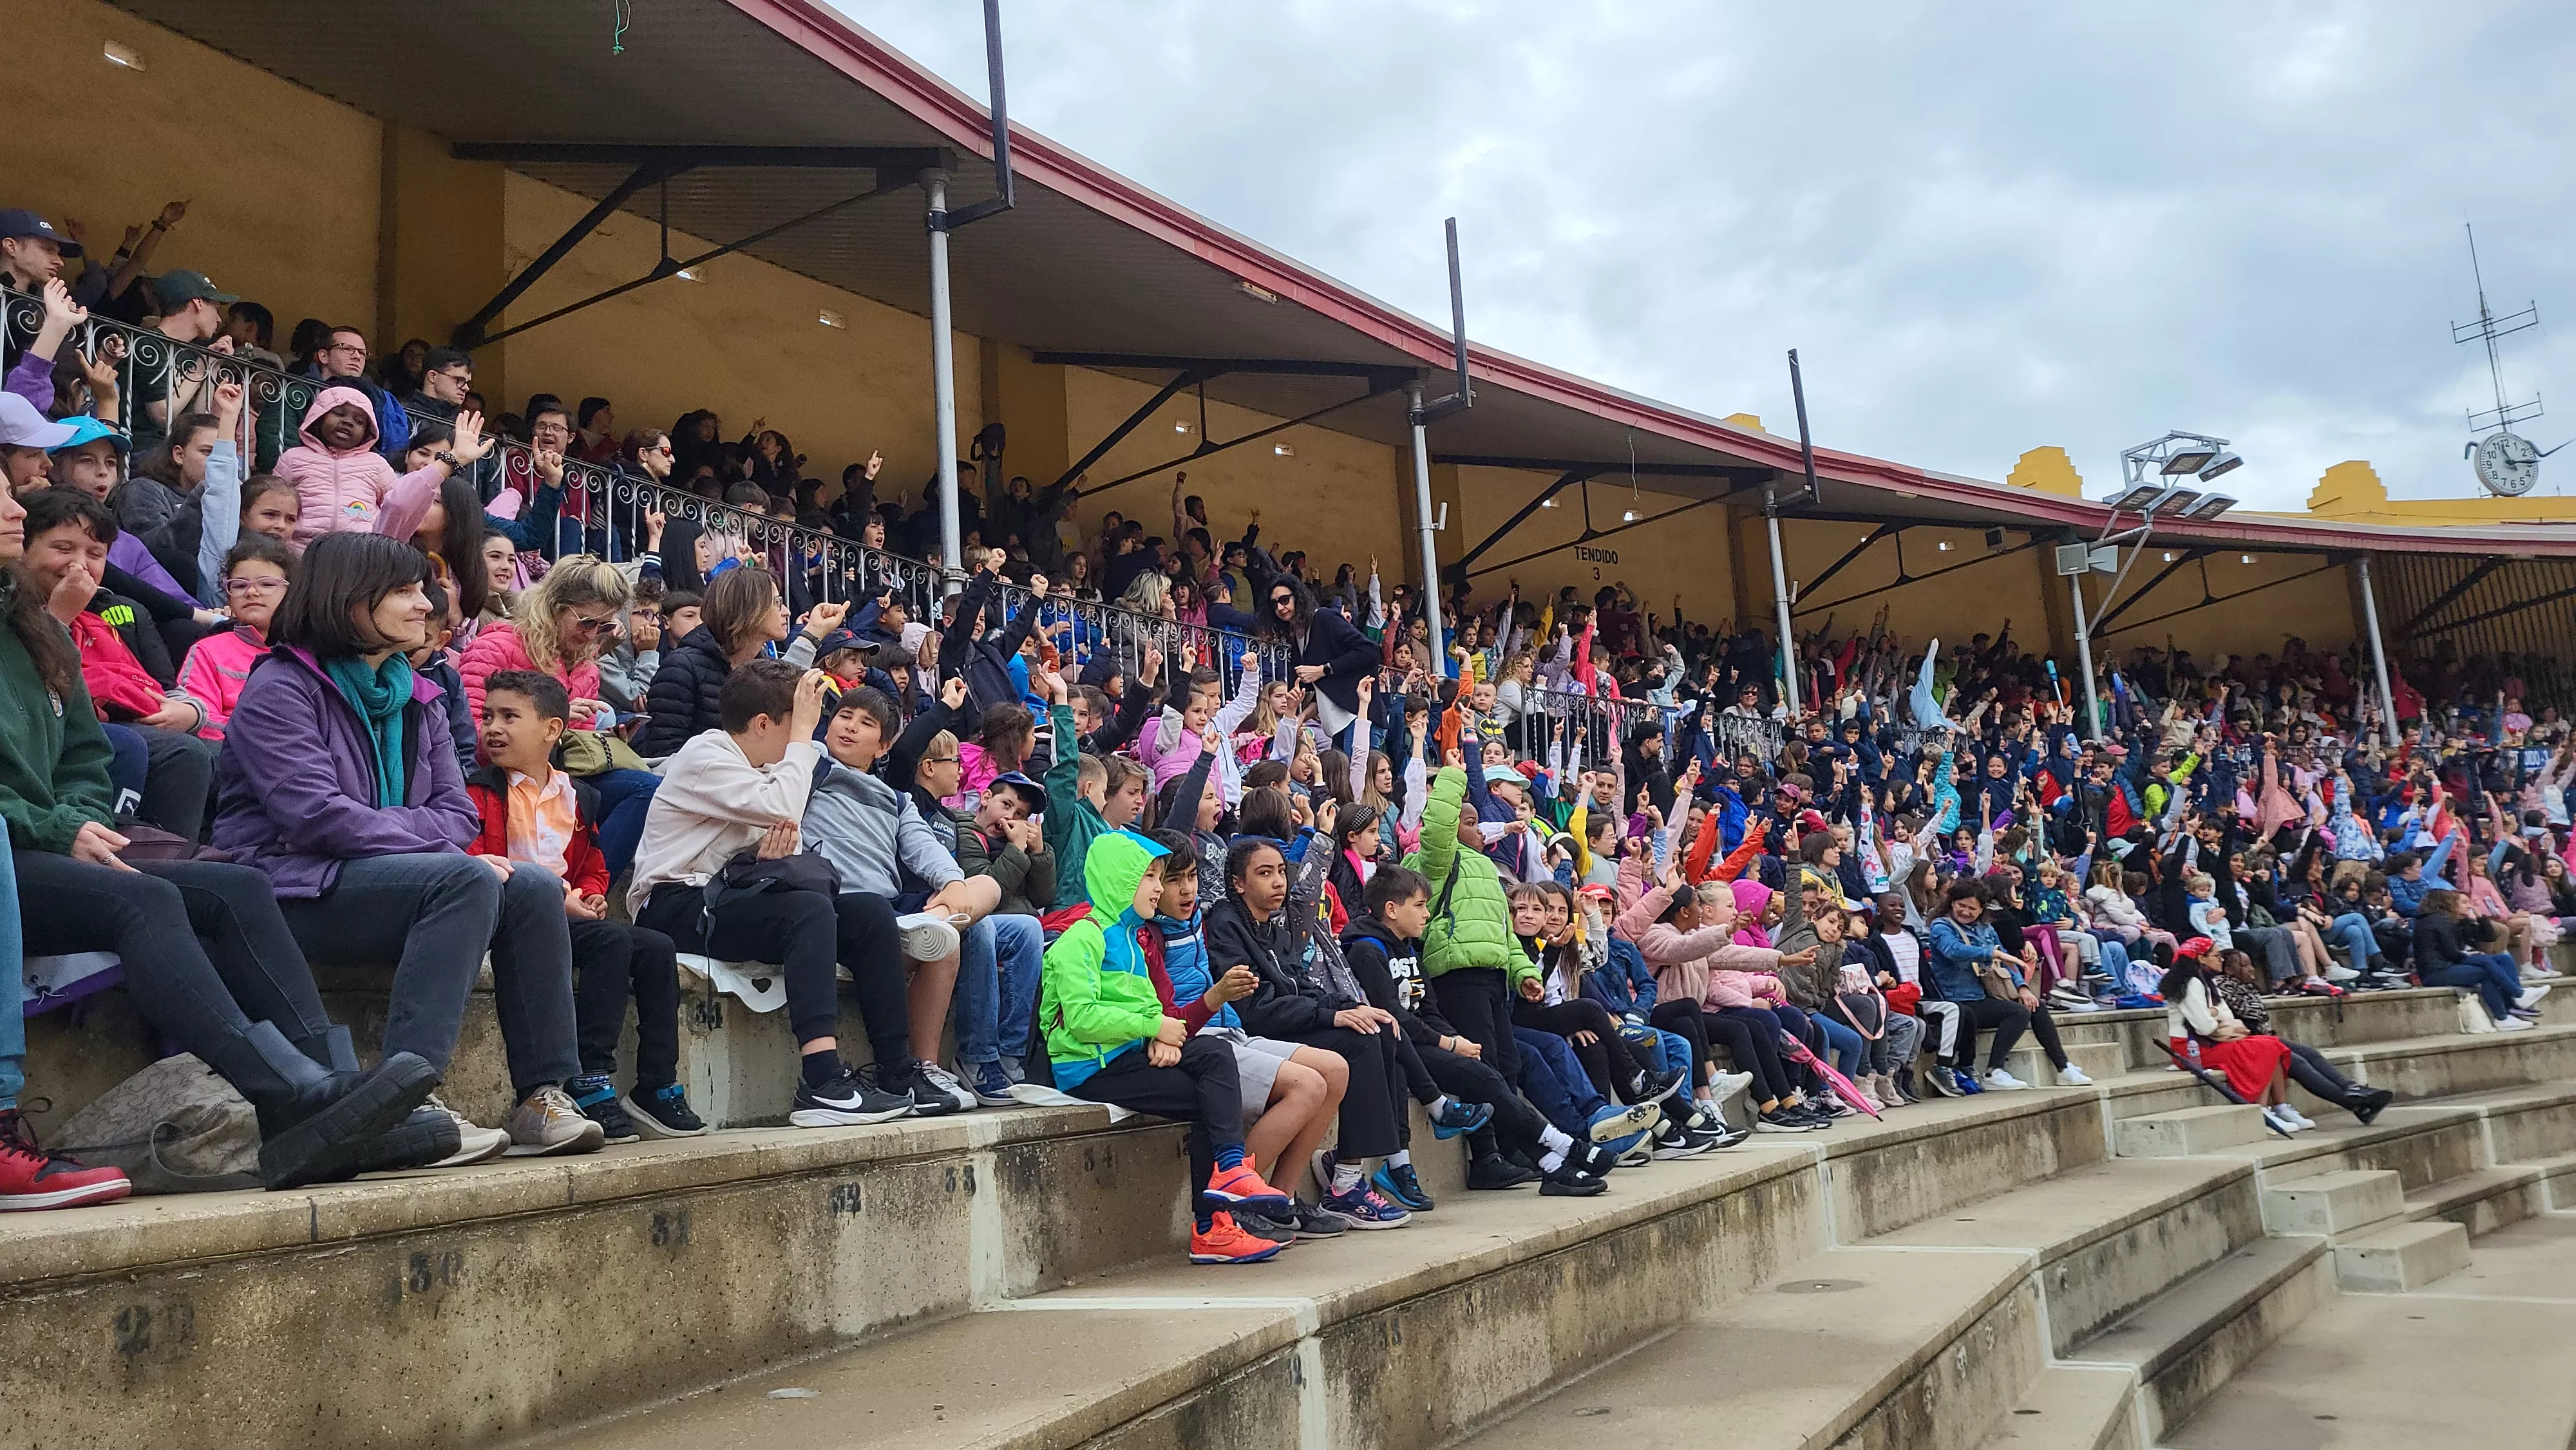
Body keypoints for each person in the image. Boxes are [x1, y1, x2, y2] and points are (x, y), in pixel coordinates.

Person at [0, 486, 446, 1189]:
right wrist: (57, 825)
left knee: (234, 887)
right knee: (141, 902)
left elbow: (87, 757)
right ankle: (283, 1094)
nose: (17, 510)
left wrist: (79, 815)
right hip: (12, 849)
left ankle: (335, 1096)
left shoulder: (39, 630)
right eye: (2, 498)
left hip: (48, 842)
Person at [212, 531, 600, 1164]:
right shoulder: (280, 687)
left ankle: (541, 1095)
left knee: (528, 885)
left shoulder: (419, 696)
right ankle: (404, 1100)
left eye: (421, 588)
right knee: (464, 878)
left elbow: (454, 814)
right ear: (349, 599)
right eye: (404, 590)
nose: (426, 603)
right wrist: (428, 844)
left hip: (377, 881)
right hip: (288, 888)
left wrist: (421, 842)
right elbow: (315, 817)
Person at [626, 658, 935, 1125]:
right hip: (673, 905)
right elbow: (784, 806)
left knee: (868, 913)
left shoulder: (756, 767)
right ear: (764, 724)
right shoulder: (706, 754)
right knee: (808, 910)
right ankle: (822, 1079)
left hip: (723, 897)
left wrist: (764, 858)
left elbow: (777, 834)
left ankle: (896, 1069)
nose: (807, 737)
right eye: (797, 726)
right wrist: (803, 743)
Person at [1039, 827, 1296, 1265]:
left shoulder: (1132, 939)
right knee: (1208, 1095)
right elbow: (1082, 1020)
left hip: (1125, 1053)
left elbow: (1155, 1012)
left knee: (1215, 1058)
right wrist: (1151, 1027)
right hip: (1090, 1068)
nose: (1159, 888)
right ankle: (1211, 1224)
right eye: (1151, 877)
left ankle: (1230, 1175)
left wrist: (1159, 1033)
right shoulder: (1082, 938)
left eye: (1161, 877)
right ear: (1120, 881)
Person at [468, 670, 701, 1142]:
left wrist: (592, 891)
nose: (493, 727)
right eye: (488, 716)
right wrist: (562, 899)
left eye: (510, 717)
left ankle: (656, 1084)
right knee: (611, 941)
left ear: (553, 730)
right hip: (513, 919)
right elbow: (476, 861)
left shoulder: (579, 797)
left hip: (566, 914)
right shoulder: (480, 792)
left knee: (656, 948)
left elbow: (591, 860)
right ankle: (589, 1077)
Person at [803, 683, 1001, 1115]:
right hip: (836, 906)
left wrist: (951, 885)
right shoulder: (811, 765)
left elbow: (923, 848)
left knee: (986, 889)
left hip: (891, 909)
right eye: (844, 717)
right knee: (946, 942)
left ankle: (924, 1068)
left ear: (884, 745)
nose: (850, 727)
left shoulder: (897, 799)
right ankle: (916, 1065)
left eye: (866, 724)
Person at [1208, 833, 1414, 1229]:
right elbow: (1254, 1008)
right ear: (1238, 883)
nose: (1278, 882)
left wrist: (1350, 1006)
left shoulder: (1273, 924)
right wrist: (1329, 1018)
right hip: (1255, 1032)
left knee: (1378, 1027)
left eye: (1281, 872)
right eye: (1264, 874)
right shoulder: (1225, 925)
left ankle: (1292, 1195)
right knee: (1358, 1043)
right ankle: (1345, 1185)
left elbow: (1301, 984)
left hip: (1286, 1023)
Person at [457, 554, 660, 874]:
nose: (594, 635)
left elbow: (572, 754)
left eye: (605, 626)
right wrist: (553, 722)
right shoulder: (498, 646)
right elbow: (471, 739)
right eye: (587, 622)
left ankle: (591, 891)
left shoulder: (586, 667)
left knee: (646, 788)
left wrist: (604, 743)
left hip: (555, 779)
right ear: (554, 606)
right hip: (496, 782)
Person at [1924, 879, 2086, 1090]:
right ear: (1951, 903)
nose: (1965, 912)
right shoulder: (1942, 926)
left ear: (1982, 909)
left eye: (1972, 908)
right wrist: (1990, 953)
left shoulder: (1986, 928)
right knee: (2018, 1013)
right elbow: (1952, 950)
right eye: (1960, 905)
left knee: (2035, 1005)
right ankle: (1994, 1072)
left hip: (1987, 993)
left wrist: (2023, 988)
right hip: (1960, 999)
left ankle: (2063, 1068)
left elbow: (2007, 962)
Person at [278, 386, 484, 549]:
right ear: (319, 418)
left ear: (369, 432)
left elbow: (400, 503)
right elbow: (276, 505)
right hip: (300, 550)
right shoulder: (293, 458)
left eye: (359, 421)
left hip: (359, 554)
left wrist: (453, 459)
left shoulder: (376, 464)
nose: (348, 422)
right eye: (339, 414)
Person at [2161, 942, 2304, 1133]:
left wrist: (2213, 1013)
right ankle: (2260, 1110)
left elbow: (2227, 1016)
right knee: (2265, 1048)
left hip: (2212, 1040)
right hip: (2191, 1048)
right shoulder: (2190, 984)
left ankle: (2280, 1106)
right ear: (2201, 958)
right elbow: (2205, 1028)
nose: (2220, 959)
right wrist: (2214, 1016)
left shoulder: (2207, 980)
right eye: (2216, 955)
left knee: (2272, 1043)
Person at [178, 534, 292, 739]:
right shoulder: (208, 651)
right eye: (239, 586)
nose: (252, 592)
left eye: (267, 584)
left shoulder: (307, 652)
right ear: (228, 598)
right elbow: (198, 719)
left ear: (292, 592)